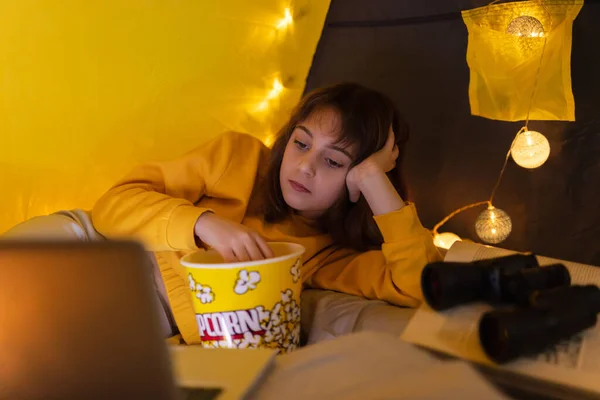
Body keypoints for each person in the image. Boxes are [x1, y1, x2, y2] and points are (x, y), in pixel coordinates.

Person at [91, 82, 442, 344]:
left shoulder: (330, 256)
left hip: (146, 335)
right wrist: (204, 223)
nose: (305, 167)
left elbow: (419, 286)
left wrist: (372, 179)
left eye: (333, 161)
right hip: (106, 270)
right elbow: (112, 205)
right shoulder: (239, 157)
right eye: (301, 143)